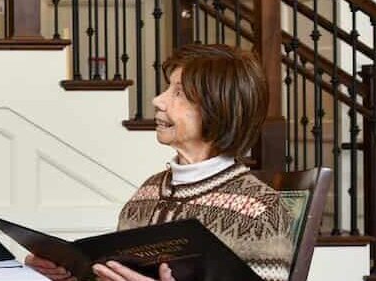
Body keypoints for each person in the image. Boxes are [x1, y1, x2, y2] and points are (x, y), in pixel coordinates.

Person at [25, 44, 293, 281]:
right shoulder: (148, 191)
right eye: (167, 89)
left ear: (219, 109)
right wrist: (70, 274)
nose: (158, 100)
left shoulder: (260, 210)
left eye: (179, 93)